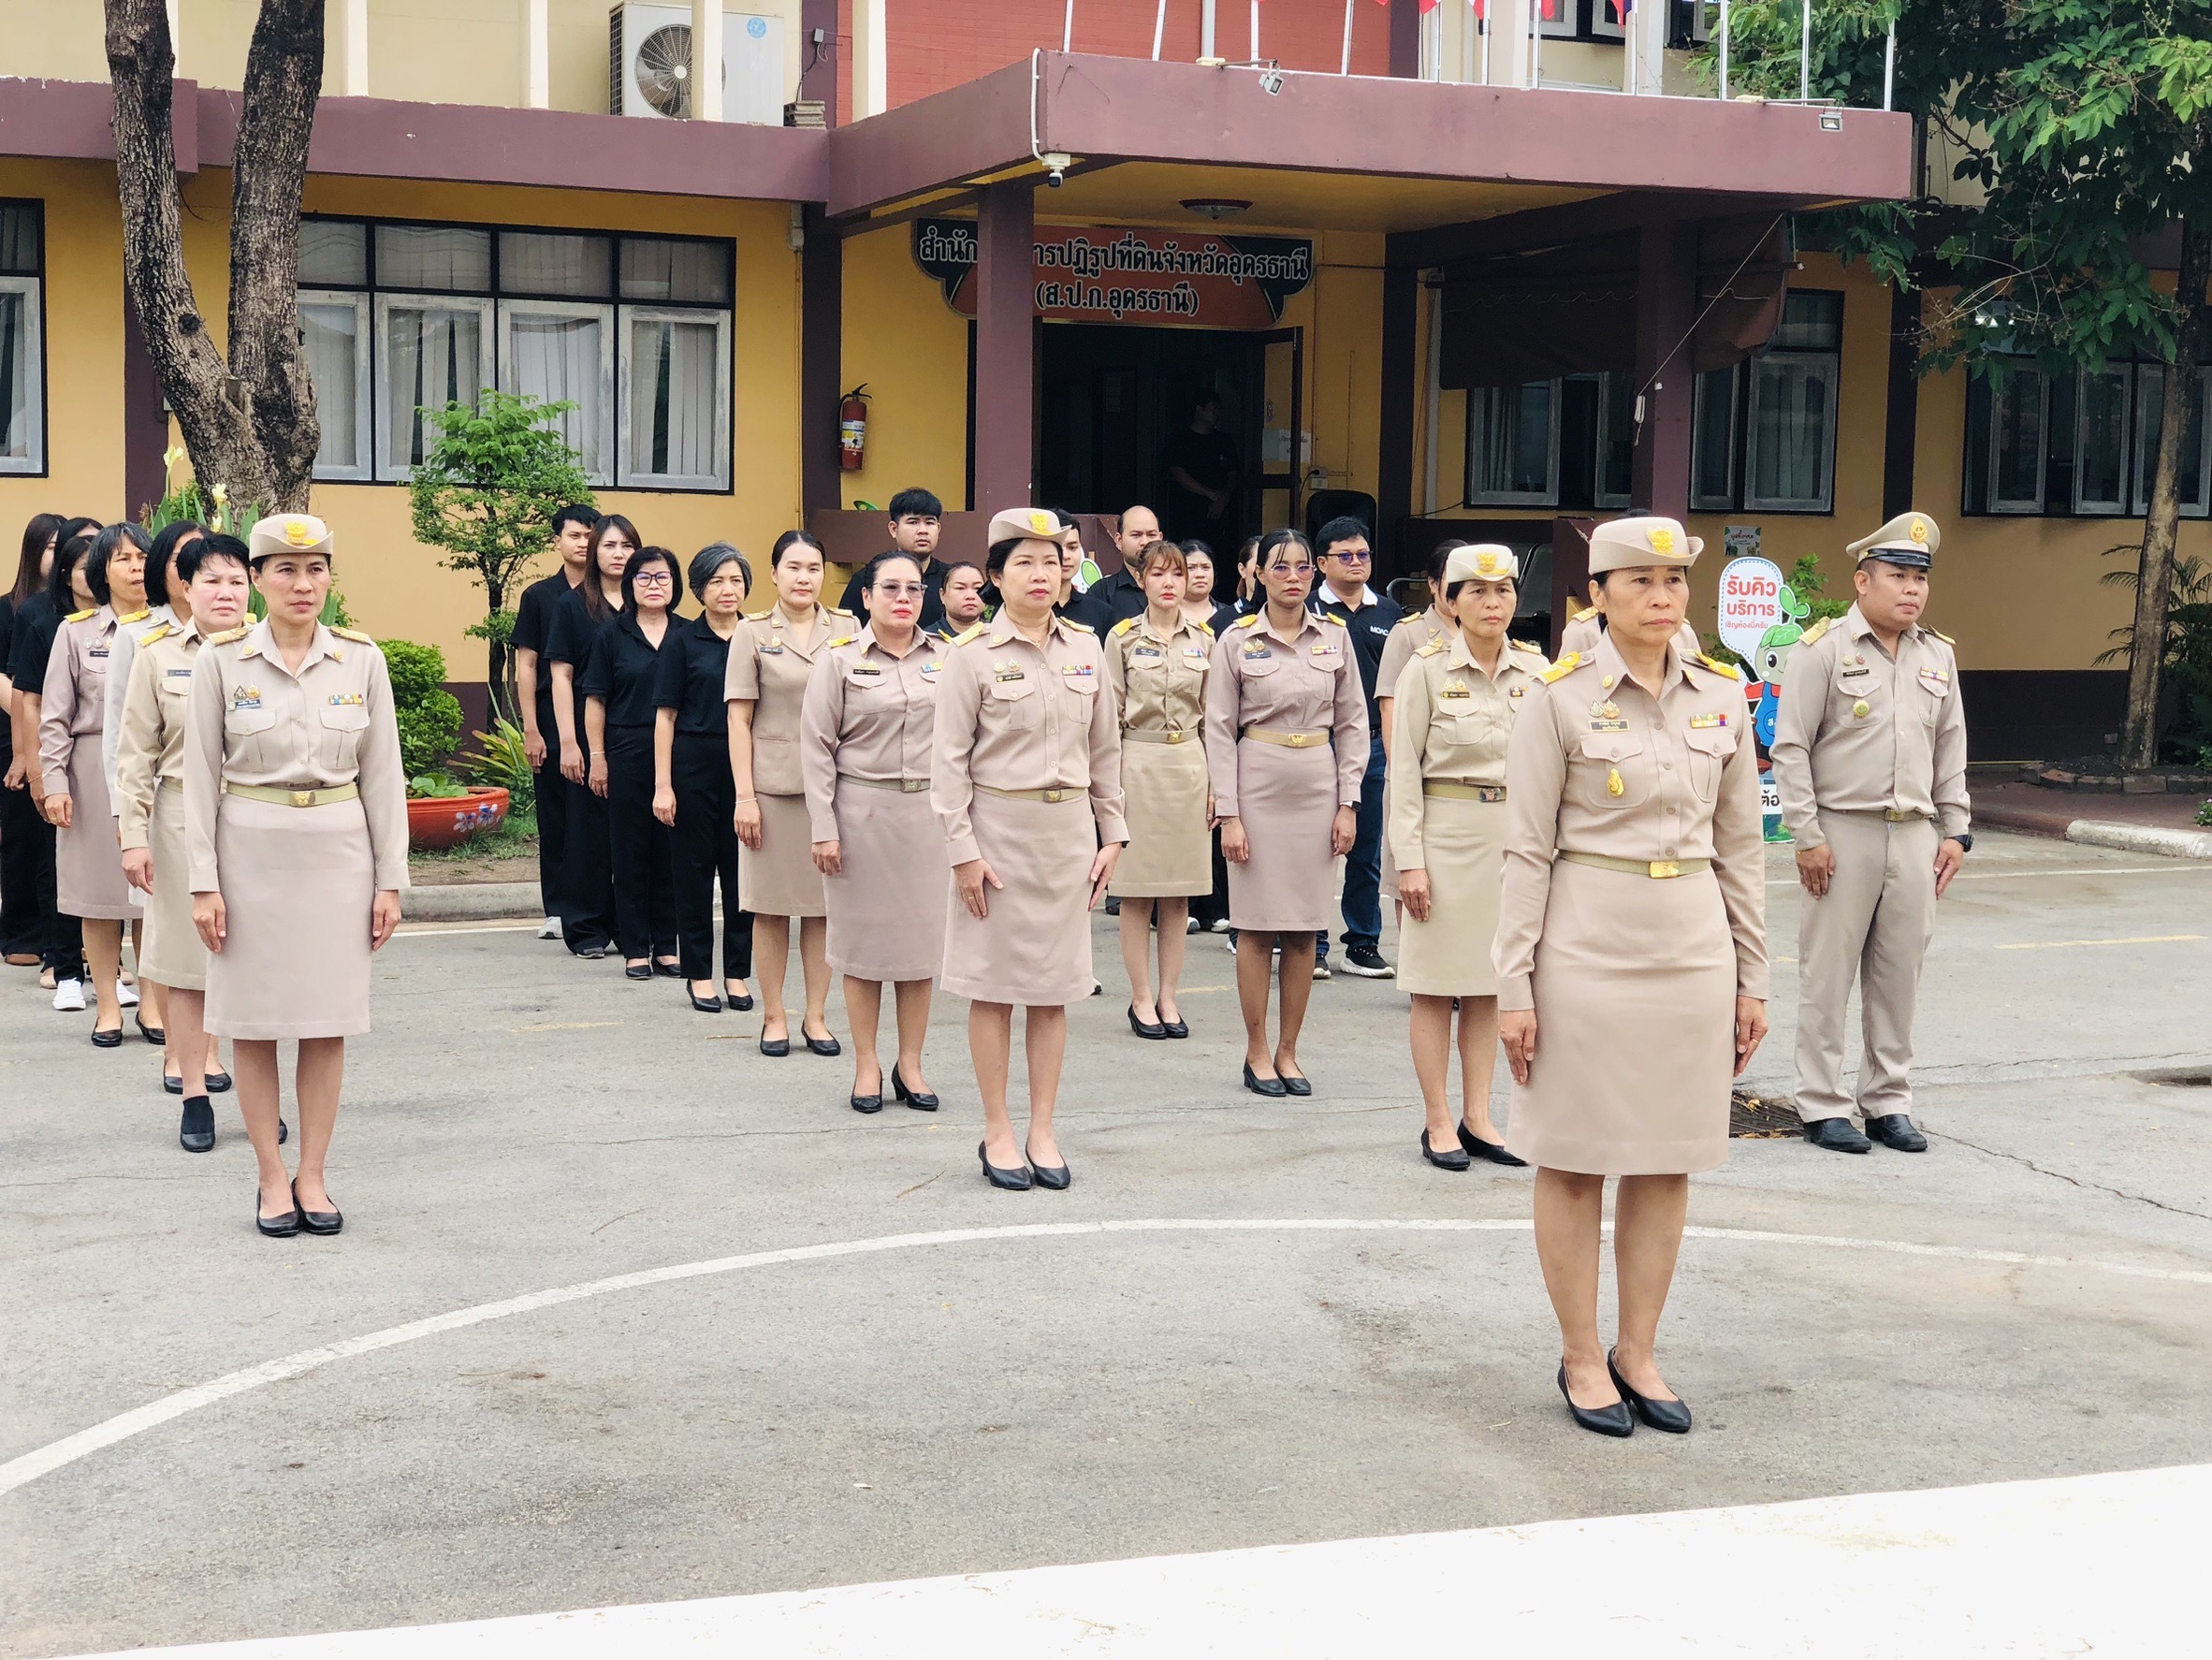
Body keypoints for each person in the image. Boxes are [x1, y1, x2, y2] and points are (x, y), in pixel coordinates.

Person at [1494, 515, 1768, 1437]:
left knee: (1667, 1155)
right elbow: (1526, 852)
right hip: (1585, 948)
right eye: (1640, 582)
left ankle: (1638, 1349)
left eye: (1674, 582)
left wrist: (1752, 978)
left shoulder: (1722, 699)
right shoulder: (1558, 699)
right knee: (1574, 1157)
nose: (1662, 598)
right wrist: (1514, 986)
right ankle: (1580, 1352)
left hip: (1692, 948)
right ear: (1600, 594)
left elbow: (1742, 852)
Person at [184, 515, 406, 1238]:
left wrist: (389, 880)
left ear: (329, 579)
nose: (302, 585)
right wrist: (203, 882)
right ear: (256, 578)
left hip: (339, 855)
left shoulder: (360, 660)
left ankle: (312, 1173)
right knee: (251, 1024)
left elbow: (384, 777)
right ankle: (270, 1177)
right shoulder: (221, 662)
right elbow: (197, 780)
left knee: (325, 1022)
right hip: (249, 851)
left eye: (315, 571)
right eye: (284, 570)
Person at [934, 508, 1126, 1190]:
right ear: (994, 577)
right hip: (998, 838)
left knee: (1053, 994)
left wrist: (1114, 835)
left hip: (1069, 839)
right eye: (1024, 563)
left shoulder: (1085, 648)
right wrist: (962, 852)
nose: (1042, 574)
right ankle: (998, 1129)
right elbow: (948, 765)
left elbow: (1105, 751)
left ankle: (1043, 1128)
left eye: (1051, 561)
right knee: (993, 992)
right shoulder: (970, 657)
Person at [1769, 511, 1971, 1157]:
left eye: (1920, 578)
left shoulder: (1937, 655)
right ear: (1862, 581)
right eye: (1897, 576)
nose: (1911, 589)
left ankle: (1888, 1102)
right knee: (1826, 977)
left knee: (1898, 975)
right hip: (1842, 831)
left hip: (1913, 834)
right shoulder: (1822, 650)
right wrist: (1806, 834)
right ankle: (1822, 1105)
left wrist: (1955, 830)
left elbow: (1951, 748)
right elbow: (1790, 748)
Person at [1388, 545, 1547, 1172]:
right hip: (1446, 838)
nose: (1492, 602)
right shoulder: (1425, 671)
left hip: (1514, 840)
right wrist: (1410, 861)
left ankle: (1479, 1116)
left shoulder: (1536, 673)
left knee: (1489, 987)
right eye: (1476, 591)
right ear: (1449, 601)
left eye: (1503, 590)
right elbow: (1404, 775)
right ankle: (1436, 1119)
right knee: (1435, 988)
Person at [1203, 529, 1367, 1097]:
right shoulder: (1237, 640)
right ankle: (1255, 1051)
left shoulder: (1336, 639)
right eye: (1281, 566)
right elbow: (1219, 731)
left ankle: (1289, 1051)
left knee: (1304, 929)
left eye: (1302, 567)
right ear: (1259, 574)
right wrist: (1230, 814)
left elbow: (1351, 725)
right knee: (1255, 925)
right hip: (1259, 782)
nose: (1294, 576)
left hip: (1318, 784)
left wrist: (1348, 804)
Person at [116, 532, 255, 1148]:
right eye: (211, 581)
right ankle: (195, 1094)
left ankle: (258, 1097)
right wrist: (132, 837)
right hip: (176, 818)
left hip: (254, 819)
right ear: (187, 588)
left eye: (236, 581)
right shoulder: (155, 652)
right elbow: (135, 755)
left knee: (254, 964)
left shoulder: (270, 649)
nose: (224, 593)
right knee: (185, 961)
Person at [803, 551, 950, 1114]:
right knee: (862, 950)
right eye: (889, 587)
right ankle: (866, 1062)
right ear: (866, 597)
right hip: (860, 814)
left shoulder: (947, 659)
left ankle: (910, 1062)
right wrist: (823, 827)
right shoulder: (838, 661)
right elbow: (815, 748)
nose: (903, 598)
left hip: (927, 821)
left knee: (919, 952)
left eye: (913, 588)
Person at [727, 529, 844, 1057]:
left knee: (824, 909)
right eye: (794, 567)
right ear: (773, 574)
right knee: (770, 909)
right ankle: (774, 1015)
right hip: (772, 792)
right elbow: (739, 719)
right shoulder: (750, 633)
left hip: (834, 791)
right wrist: (744, 796)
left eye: (814, 568)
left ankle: (815, 1017)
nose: (805, 577)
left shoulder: (847, 628)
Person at [40, 524, 150, 1045]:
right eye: (122, 559)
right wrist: (54, 781)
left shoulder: (169, 628)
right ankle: (107, 1005)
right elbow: (55, 718)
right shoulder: (77, 632)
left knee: (154, 896)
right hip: (91, 772)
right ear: (100, 570)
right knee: (99, 900)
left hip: (155, 771)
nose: (134, 567)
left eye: (142, 557)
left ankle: (153, 1003)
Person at [1105, 541, 1213, 1039]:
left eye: (1178, 574)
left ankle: (1170, 996)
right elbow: (1106, 720)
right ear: (1142, 580)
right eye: (1158, 575)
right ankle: (1141, 997)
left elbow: (1214, 718)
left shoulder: (1206, 641)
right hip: (1138, 762)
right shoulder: (1123, 639)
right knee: (1136, 892)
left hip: (1189, 762)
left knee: (1178, 892)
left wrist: (1217, 787)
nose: (1169, 583)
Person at [652, 543, 756, 1013]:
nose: (727, 590)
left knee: (742, 875)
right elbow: (665, 717)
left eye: (735, 580)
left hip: (747, 768)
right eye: (716, 581)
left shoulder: (756, 636)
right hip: (693, 764)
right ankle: (698, 973)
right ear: (698, 589)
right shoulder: (681, 641)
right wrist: (663, 784)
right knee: (693, 873)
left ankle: (737, 972)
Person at [581, 545, 683, 981]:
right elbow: (595, 701)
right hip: (625, 751)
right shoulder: (610, 635)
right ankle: (635, 947)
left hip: (680, 756)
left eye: (662, 577)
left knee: (672, 853)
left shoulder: (689, 633)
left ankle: (667, 944)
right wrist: (597, 757)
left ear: (676, 584)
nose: (653, 585)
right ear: (630, 584)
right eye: (643, 577)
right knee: (630, 850)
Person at [1308, 517, 1403, 981]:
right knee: (1314, 847)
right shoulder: (1306, 610)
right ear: (1322, 563)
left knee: (1365, 850)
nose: (1356, 563)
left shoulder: (1391, 615)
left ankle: (1363, 943)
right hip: (1315, 744)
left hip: (1372, 746)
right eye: (1344, 556)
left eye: (1363, 555)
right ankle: (1313, 944)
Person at [8, 517, 97, 996]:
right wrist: (33, 765)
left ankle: (101, 961)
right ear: (65, 572)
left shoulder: (126, 619)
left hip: (111, 763)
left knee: (106, 870)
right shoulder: (43, 618)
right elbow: (30, 699)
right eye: (85, 566)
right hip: (61, 754)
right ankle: (61, 961)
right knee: (56, 862)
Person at [546, 514, 636, 957]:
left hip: (637, 736)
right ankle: (585, 930)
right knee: (588, 834)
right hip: (587, 731)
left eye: (627, 547)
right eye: (610, 546)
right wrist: (569, 741)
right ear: (595, 551)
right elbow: (561, 676)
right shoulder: (572, 605)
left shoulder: (648, 604)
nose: (618, 555)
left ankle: (632, 927)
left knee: (634, 835)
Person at [511, 503, 599, 941]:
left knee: (599, 814)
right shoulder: (539, 596)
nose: (584, 543)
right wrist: (532, 728)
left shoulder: (614, 594)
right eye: (575, 536)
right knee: (556, 812)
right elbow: (526, 664)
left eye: (590, 535)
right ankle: (558, 908)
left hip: (603, 712)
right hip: (550, 712)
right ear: (557, 541)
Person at [2, 514, 66, 968]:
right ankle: (20, 932)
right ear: (32, 552)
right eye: (50, 547)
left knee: (59, 844)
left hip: (63, 731)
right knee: (22, 836)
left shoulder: (74, 612)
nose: (57, 556)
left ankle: (61, 937)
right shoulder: (9, 608)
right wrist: (30, 718)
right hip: (14, 732)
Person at [837, 488, 949, 632]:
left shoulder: (950, 579)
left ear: (938, 529)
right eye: (913, 522)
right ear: (893, 529)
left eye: (929, 522)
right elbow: (846, 633)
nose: (923, 530)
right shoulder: (867, 578)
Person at [1164, 393, 1242, 543]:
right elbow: (1178, 474)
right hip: (1187, 513)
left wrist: (1223, 499)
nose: (1217, 414)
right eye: (1214, 409)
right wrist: (1210, 494)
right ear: (1199, 410)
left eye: (1219, 410)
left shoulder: (1224, 441)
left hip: (1219, 515)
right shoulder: (1180, 440)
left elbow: (1233, 474)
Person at [1083, 505, 1166, 629]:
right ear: (1119, 540)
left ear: (1160, 538)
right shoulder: (1101, 593)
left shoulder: (1177, 588)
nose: (1144, 542)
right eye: (1136, 535)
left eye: (1151, 535)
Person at [939, 561, 989, 633]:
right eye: (960, 588)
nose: (970, 596)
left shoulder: (997, 637)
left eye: (977, 588)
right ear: (942, 595)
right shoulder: (927, 640)